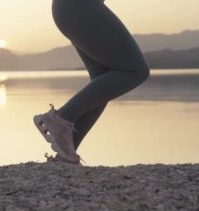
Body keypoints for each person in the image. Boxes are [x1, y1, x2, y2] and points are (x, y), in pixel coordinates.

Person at [34, 0, 150, 164]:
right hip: (81, 8)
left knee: (104, 79)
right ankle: (61, 119)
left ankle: (66, 152)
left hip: (72, 10)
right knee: (136, 71)